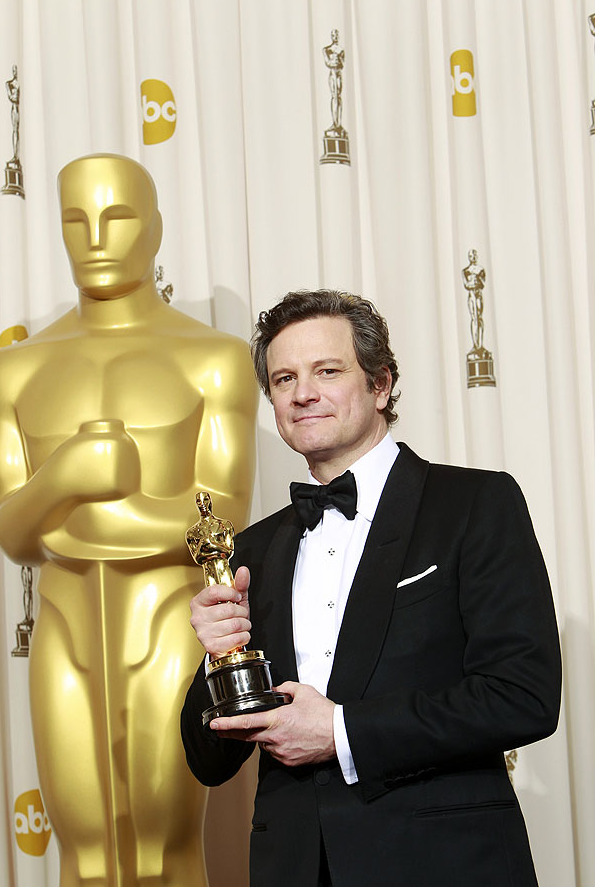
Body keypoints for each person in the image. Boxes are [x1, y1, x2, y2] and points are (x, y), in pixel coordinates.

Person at [181, 289, 561, 887]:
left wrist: (338, 733)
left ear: (380, 385)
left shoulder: (474, 504)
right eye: (283, 379)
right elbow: (208, 761)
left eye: (326, 371)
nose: (302, 392)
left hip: (444, 863)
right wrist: (217, 660)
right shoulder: (250, 549)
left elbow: (522, 696)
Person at [0, 153, 257, 886]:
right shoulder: (15, 368)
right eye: (76, 220)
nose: (96, 238)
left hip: (171, 625)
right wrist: (67, 478)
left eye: (117, 217)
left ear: (157, 228)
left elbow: (225, 515)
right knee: (81, 854)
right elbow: (14, 532)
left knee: (165, 849)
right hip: (65, 631)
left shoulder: (213, 359)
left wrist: (80, 520)